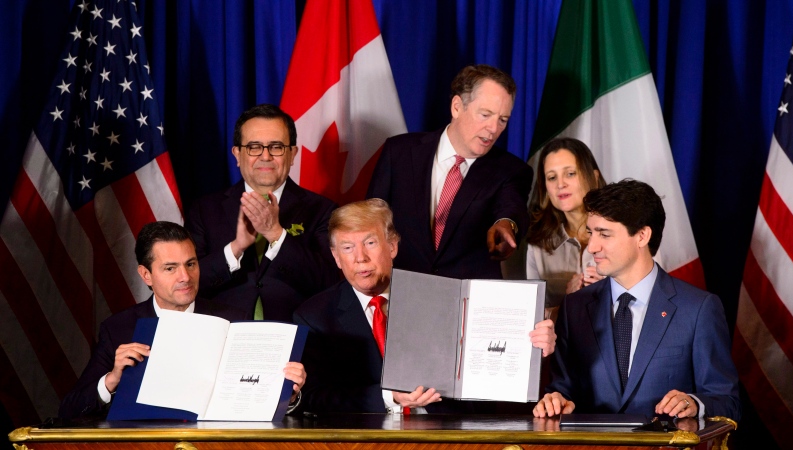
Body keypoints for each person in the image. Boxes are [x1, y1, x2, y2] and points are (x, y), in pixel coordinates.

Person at [293, 199, 556, 413]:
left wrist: (532, 348)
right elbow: (315, 397)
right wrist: (390, 397)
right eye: (348, 248)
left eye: (370, 243)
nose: (360, 258)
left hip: (452, 435)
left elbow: (489, 362)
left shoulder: (446, 295)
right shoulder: (314, 316)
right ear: (337, 258)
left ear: (393, 246)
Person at [533, 180, 740, 421]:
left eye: (604, 234)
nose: (592, 247)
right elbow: (562, 389)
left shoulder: (698, 309)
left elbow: (727, 401)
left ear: (642, 236)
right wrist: (555, 400)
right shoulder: (575, 306)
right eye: (591, 232)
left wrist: (694, 403)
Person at [59, 221, 306, 420]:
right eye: (170, 268)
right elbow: (69, 409)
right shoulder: (119, 329)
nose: (185, 277)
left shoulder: (233, 320)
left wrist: (289, 396)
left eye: (191, 264)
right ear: (146, 275)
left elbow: (255, 396)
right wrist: (111, 380)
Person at [367, 64, 532, 280]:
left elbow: (511, 208)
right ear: (456, 107)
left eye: (502, 120)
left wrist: (506, 225)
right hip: (401, 290)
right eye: (485, 114)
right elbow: (370, 220)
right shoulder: (399, 153)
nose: (493, 128)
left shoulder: (511, 170)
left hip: (466, 299)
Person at [186, 104, 340, 321]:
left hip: (296, 337)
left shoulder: (324, 210)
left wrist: (276, 235)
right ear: (237, 154)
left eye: (276, 147)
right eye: (254, 147)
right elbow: (187, 283)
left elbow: (331, 282)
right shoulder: (204, 210)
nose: (265, 156)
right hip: (224, 335)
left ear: (292, 154)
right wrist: (235, 249)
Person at [526, 137, 607, 320]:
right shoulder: (538, 245)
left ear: (593, 177)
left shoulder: (626, 231)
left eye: (570, 173)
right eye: (552, 177)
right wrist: (568, 303)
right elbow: (531, 318)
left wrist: (613, 290)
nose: (560, 184)